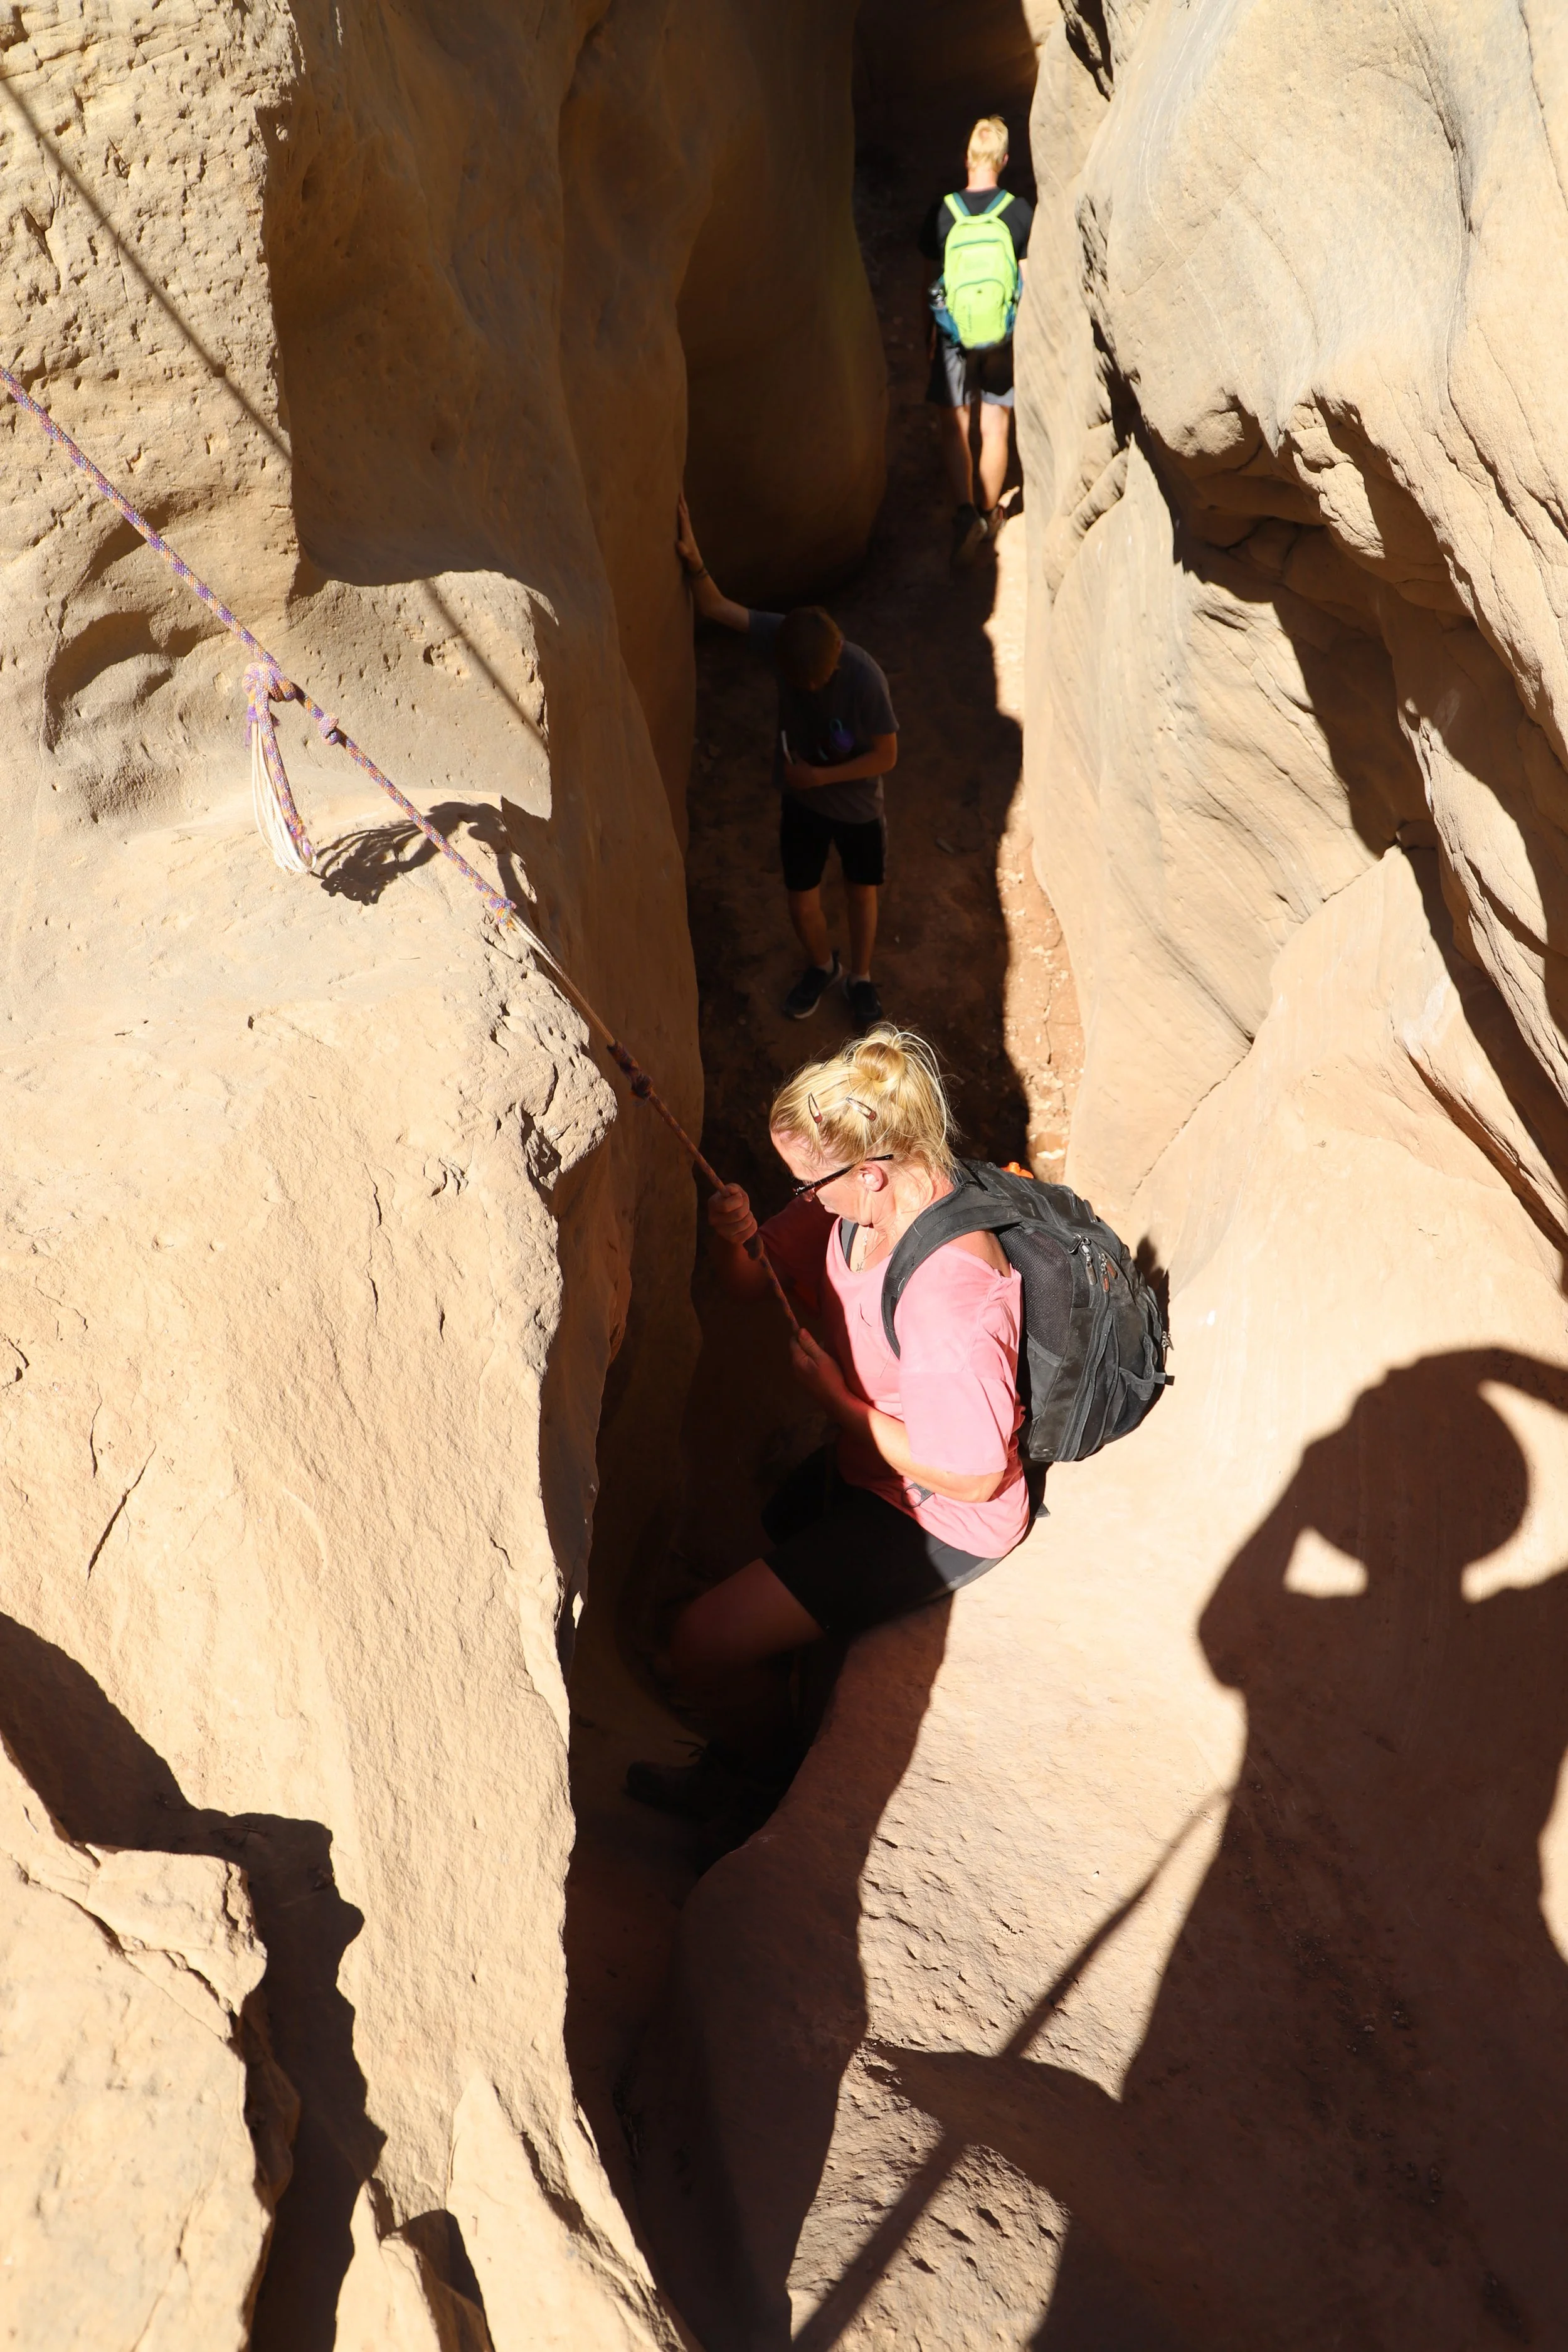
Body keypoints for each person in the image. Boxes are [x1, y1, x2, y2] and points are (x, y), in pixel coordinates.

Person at [626, 1025, 1032, 1833]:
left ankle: (759, 1788)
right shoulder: (851, 1212)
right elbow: (750, 1285)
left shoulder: (949, 1292)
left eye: (811, 1182)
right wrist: (733, 1236)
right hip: (874, 1470)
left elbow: (975, 1475)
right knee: (778, 1519)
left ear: (871, 1171)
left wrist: (841, 1405)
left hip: (937, 1513)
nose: (802, 1197)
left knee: (700, 1641)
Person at [675, 496, 898, 1027]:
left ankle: (860, 979)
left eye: (818, 683)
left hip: (857, 806)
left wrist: (821, 776)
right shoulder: (785, 637)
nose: (811, 691)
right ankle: (823, 966)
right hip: (803, 802)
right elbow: (716, 607)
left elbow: (886, 755)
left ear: (838, 649)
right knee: (802, 901)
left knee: (861, 894)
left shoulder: (866, 679)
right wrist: (693, 555)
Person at [919, 115, 1033, 568]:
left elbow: (928, 280)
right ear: (1003, 161)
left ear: (967, 157)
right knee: (995, 423)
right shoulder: (1018, 212)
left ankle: (966, 514)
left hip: (952, 330)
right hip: (1002, 332)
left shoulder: (943, 212)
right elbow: (1026, 283)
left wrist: (924, 328)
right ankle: (990, 514)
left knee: (955, 422)